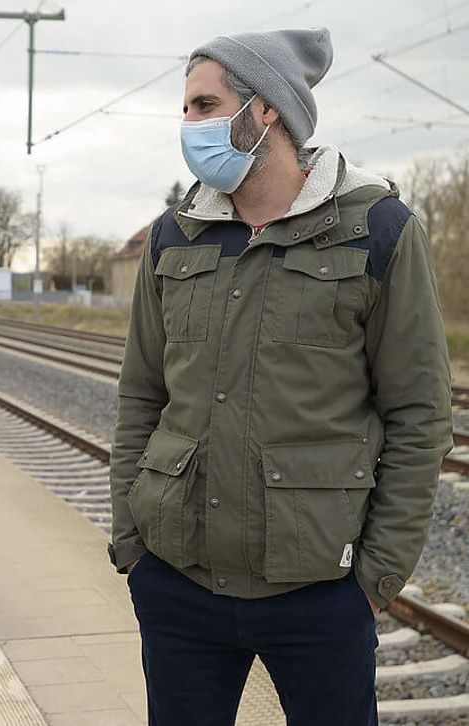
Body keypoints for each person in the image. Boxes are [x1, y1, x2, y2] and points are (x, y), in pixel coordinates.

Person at [108, 28, 451, 725]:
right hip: (176, 583)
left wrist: (374, 581)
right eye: (186, 108)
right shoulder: (175, 235)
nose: (189, 124)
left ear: (265, 109)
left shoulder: (378, 230)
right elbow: (141, 394)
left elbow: (420, 414)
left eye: (205, 105)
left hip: (320, 593)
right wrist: (132, 545)